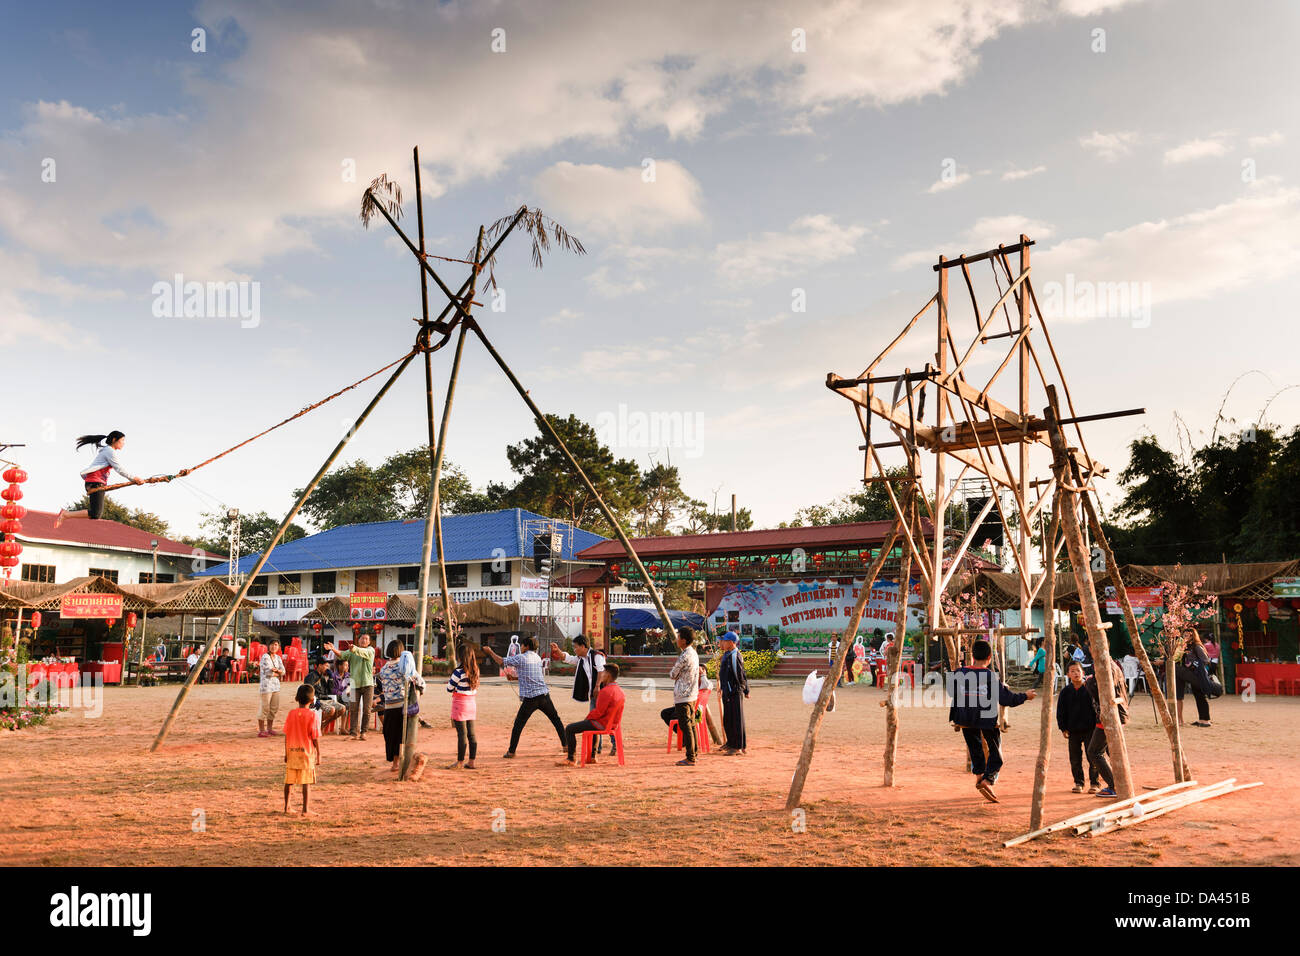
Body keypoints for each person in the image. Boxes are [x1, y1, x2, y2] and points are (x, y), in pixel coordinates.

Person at [947, 638, 1036, 803]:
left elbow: (951, 693)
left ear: (972, 656)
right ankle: (988, 780)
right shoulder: (990, 675)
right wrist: (1026, 696)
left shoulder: (958, 673)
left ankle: (979, 776)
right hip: (985, 718)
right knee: (996, 754)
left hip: (964, 718)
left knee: (975, 748)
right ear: (989, 658)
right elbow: (1006, 699)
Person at [483, 635, 567, 757]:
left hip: (530, 698)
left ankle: (511, 752)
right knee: (556, 720)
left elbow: (501, 661)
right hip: (544, 695)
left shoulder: (521, 658)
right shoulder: (537, 658)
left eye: (522, 645)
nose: (521, 647)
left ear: (526, 646)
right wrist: (515, 678)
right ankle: (566, 746)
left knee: (518, 725)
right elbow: (532, 676)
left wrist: (490, 651)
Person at [56, 432, 145, 526]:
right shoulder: (110, 451)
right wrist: (134, 478)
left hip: (95, 482)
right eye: (122, 440)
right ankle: (66, 514)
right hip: (95, 482)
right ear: (114, 440)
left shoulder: (107, 451)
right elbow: (119, 469)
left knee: (95, 514)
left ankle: (66, 515)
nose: (124, 443)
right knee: (95, 513)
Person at [553, 635, 613, 756]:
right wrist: (557, 651)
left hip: (602, 694)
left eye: (575, 647)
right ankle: (597, 748)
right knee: (595, 721)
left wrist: (597, 686)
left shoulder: (597, 656)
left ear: (583, 646)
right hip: (594, 695)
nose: (574, 650)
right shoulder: (582, 658)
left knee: (605, 720)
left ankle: (614, 745)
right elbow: (568, 658)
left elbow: (602, 671)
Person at [558, 663, 626, 767]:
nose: (601, 674)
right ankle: (592, 757)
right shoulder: (619, 690)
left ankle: (571, 758)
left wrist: (587, 719)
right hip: (612, 724)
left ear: (608, 675)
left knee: (569, 729)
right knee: (591, 723)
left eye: (603, 672)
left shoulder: (606, 691)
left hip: (602, 723)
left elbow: (598, 712)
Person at [376, 639, 425, 771]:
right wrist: (421, 691)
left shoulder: (384, 668)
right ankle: (405, 761)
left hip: (389, 707)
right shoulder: (405, 667)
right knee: (402, 735)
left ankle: (395, 763)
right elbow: (420, 681)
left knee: (391, 736)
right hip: (403, 706)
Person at [1084, 658, 1130, 798]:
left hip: (1110, 716)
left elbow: (1103, 690)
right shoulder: (1112, 665)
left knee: (1095, 752)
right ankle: (1120, 784)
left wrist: (1089, 682)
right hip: (1111, 715)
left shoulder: (1106, 666)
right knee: (1113, 751)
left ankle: (1114, 785)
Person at [1056, 661, 1101, 793]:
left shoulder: (1090, 689)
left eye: (1078, 670)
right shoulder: (1065, 692)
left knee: (1092, 757)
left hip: (1090, 730)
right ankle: (1079, 783)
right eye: (1072, 671)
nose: (1076, 673)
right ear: (1068, 674)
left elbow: (1097, 708)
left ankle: (1094, 783)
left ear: (1083, 673)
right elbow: (1061, 711)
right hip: (1072, 731)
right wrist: (1063, 728)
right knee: (1075, 758)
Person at [659, 627, 700, 767]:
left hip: (683, 695)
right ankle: (694, 752)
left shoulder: (684, 656)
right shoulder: (693, 653)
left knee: (686, 726)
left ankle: (690, 757)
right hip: (692, 694)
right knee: (691, 725)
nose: (676, 640)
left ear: (683, 640)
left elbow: (672, 674)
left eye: (678, 637)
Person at [323, 633, 375, 741]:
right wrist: (333, 649)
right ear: (358, 640)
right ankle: (353, 733)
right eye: (362, 638)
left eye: (366, 639)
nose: (364, 640)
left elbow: (363, 652)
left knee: (367, 709)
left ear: (369, 642)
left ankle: (363, 732)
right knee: (353, 709)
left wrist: (354, 648)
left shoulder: (370, 650)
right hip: (355, 684)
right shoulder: (352, 651)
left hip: (368, 684)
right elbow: (341, 655)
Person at [283, 683, 321, 814]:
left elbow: (287, 735)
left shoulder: (291, 714)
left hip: (292, 751)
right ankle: (305, 809)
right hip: (306, 753)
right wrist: (319, 753)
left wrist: (286, 753)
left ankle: (287, 807)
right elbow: (315, 736)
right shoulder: (312, 715)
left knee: (289, 781)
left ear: (296, 699)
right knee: (306, 782)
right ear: (312, 700)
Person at [446, 643, 479, 769]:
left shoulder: (458, 672)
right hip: (471, 703)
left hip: (460, 704)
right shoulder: (475, 670)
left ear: (460, 657)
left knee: (461, 734)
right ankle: (471, 761)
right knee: (472, 734)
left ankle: (459, 761)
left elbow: (449, 689)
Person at [717, 631, 749, 755]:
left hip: (734, 692)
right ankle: (731, 742)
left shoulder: (735, 655)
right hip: (727, 691)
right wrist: (722, 686)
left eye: (724, 641)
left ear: (730, 642)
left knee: (736, 720)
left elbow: (741, 674)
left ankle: (738, 747)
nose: (722, 643)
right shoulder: (727, 654)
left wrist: (744, 690)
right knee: (728, 719)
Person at [1175, 638, 1213, 728]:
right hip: (1192, 675)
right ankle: (1202, 719)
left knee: (1201, 695)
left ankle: (1206, 721)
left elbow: (1206, 660)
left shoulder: (1197, 647)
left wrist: (1193, 663)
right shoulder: (1186, 647)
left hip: (1199, 674)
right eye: (1184, 635)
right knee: (1197, 695)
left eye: (1188, 635)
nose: (1186, 637)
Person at [306, 657, 348, 728]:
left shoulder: (322, 677)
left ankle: (323, 724)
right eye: (326, 666)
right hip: (317, 701)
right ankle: (314, 723)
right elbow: (308, 691)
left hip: (325, 699)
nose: (327, 668)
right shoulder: (311, 676)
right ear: (320, 665)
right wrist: (315, 700)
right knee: (331, 710)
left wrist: (330, 678)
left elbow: (329, 691)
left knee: (343, 708)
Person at [257, 639, 287, 738]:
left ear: (278, 647)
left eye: (276, 645)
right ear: (268, 646)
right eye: (272, 645)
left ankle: (269, 728)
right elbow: (268, 672)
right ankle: (261, 730)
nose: (274, 647)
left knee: (274, 708)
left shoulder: (278, 657)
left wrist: (277, 671)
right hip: (266, 686)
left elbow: (283, 672)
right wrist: (278, 673)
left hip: (276, 686)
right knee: (265, 708)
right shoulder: (265, 657)